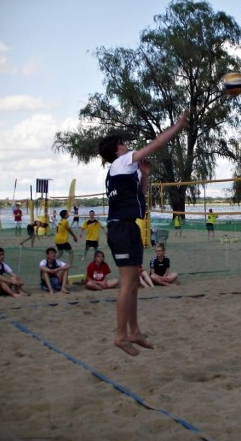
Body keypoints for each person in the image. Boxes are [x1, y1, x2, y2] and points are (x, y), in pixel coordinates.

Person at [98, 108, 187, 356]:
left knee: (134, 282)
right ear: (117, 149)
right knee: (126, 284)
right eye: (123, 143)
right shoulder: (122, 161)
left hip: (128, 227)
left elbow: (141, 199)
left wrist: (145, 176)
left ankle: (134, 331)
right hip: (122, 228)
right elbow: (157, 143)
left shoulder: (122, 170)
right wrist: (178, 126)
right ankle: (120, 335)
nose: (127, 146)